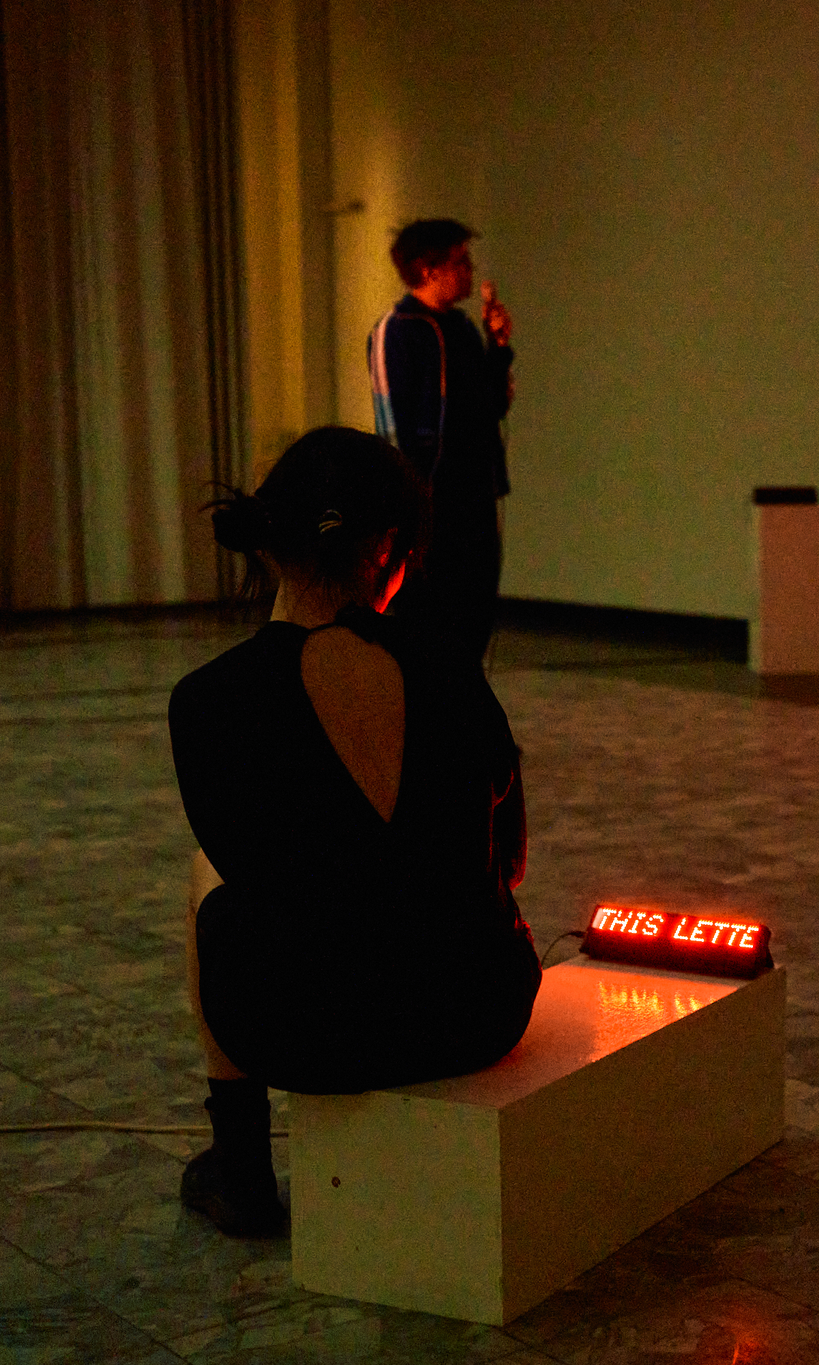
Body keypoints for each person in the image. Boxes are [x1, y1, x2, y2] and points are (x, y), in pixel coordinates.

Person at [170, 426, 541, 1236]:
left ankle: (242, 1170)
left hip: (314, 1036)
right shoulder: (451, 669)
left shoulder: (209, 701)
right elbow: (508, 859)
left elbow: (253, 875)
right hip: (480, 1011)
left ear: (271, 547)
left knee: (207, 879)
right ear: (390, 553)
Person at [367, 218, 514, 661]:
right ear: (428, 269)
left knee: (474, 613)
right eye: (460, 260)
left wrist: (499, 347)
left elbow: (491, 408)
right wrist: (411, 500)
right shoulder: (397, 329)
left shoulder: (463, 329)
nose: (469, 269)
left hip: (475, 497)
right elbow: (393, 422)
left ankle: (463, 717)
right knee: (428, 620)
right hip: (430, 503)